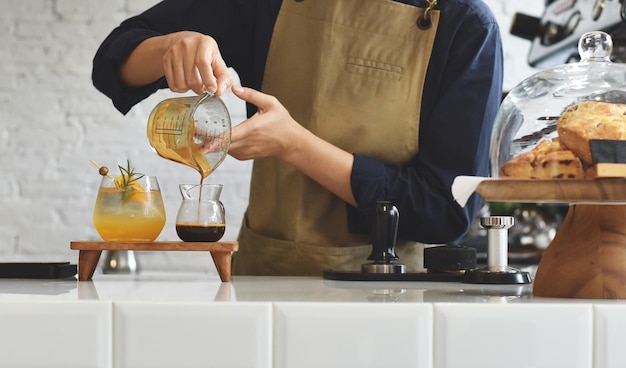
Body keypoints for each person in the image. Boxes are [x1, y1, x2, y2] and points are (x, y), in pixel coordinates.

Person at [92, 0, 504, 276]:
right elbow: (113, 63)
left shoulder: (465, 25)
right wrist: (171, 46)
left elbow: (448, 209)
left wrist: (293, 144)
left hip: (388, 294)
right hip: (266, 278)